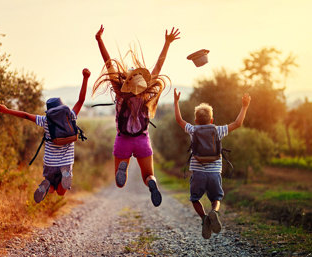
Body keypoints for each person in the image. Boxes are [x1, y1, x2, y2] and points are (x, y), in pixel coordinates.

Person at [93, 25, 180, 207]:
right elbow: (158, 65)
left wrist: (100, 40)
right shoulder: (146, 94)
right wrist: (167, 43)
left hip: (123, 139)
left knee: (119, 182)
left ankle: (123, 168)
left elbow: (108, 63)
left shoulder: (120, 94)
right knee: (148, 175)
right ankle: (152, 183)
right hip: (142, 141)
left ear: (125, 81)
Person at [0, 68, 91, 203]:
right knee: (61, 192)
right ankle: (66, 174)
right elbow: (81, 100)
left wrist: (7, 111)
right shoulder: (71, 116)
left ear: (49, 111)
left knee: (52, 188)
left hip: (50, 163)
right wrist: (85, 78)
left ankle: (47, 184)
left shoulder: (45, 120)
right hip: (66, 162)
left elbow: (26, 115)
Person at [173, 88, 251, 239]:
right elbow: (237, 123)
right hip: (214, 173)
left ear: (196, 120)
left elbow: (179, 120)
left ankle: (204, 218)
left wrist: (176, 102)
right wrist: (245, 106)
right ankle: (213, 212)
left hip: (198, 174)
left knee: (195, 198)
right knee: (216, 198)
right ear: (211, 120)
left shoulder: (193, 130)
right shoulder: (218, 130)